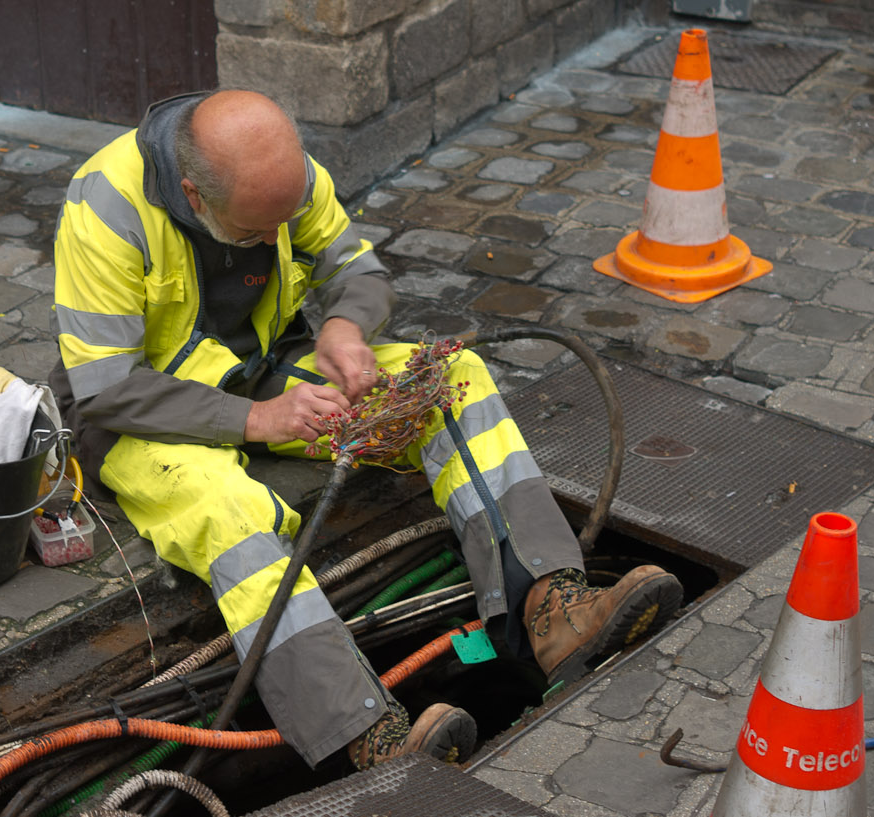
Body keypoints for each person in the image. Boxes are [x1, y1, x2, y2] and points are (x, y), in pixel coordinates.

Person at [48, 89, 683, 770]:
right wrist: (254, 420)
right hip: (142, 416)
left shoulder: (285, 174)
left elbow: (359, 268)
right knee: (228, 511)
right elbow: (109, 387)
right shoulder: (104, 208)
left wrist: (347, 326)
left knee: (452, 378)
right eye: (256, 232)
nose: (273, 243)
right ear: (194, 195)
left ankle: (553, 605)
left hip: (264, 372)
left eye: (282, 226)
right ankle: (369, 735)